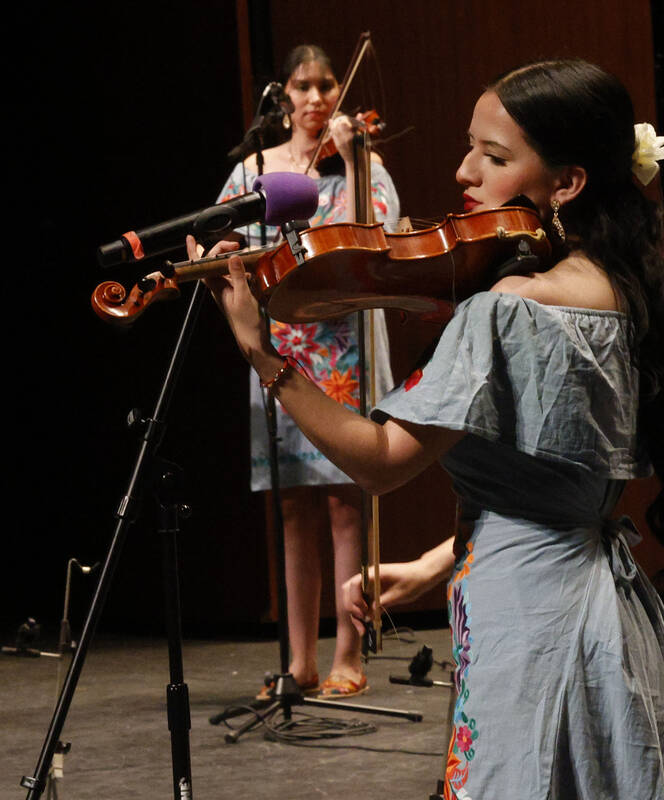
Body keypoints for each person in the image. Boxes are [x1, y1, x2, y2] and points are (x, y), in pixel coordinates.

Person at [196, 59, 664, 799]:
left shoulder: (507, 308)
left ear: (567, 182)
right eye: (472, 145)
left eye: (495, 157)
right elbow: (560, 489)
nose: (463, 170)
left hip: (527, 624)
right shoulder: (624, 291)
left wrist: (260, 352)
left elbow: (379, 462)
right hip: (603, 617)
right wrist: (436, 564)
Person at [215, 44, 400, 700]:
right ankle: (300, 661)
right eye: (304, 85)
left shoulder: (362, 163)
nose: (318, 97)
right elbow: (226, 246)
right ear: (283, 95)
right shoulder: (254, 171)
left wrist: (352, 160)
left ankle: (349, 652)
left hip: (346, 345)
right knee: (293, 505)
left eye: (327, 85)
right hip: (283, 344)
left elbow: (380, 239)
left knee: (346, 503)